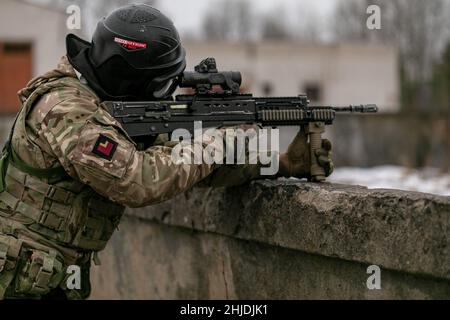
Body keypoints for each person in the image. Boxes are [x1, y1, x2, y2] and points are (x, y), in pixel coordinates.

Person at [0, 4, 332, 299]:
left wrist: (280, 162)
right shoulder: (64, 107)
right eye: (160, 84)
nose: (164, 94)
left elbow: (179, 163)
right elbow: (137, 178)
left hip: (41, 277)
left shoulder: (106, 107)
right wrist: (218, 142)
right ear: (128, 77)